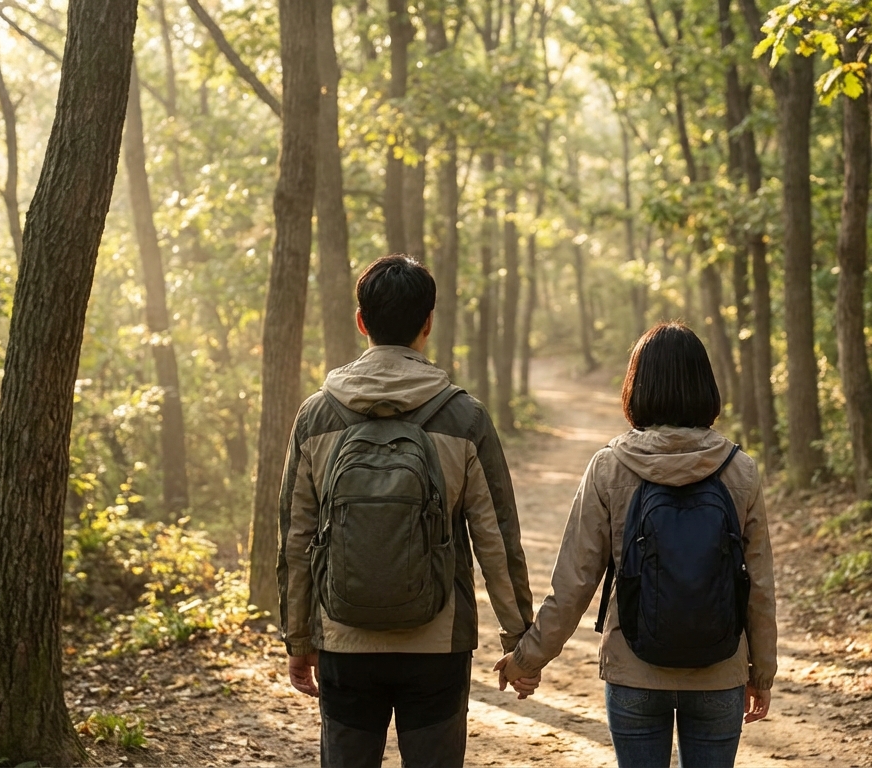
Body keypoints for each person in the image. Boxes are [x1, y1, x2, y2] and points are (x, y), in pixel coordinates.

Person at [277, 255, 537, 768]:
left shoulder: (317, 414)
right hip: (437, 643)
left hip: (343, 637)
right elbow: (496, 538)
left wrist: (299, 637)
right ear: (428, 322)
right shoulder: (464, 416)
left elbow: (295, 536)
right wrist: (519, 641)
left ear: (361, 321)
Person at [495, 322, 778, 768]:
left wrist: (527, 660)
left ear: (636, 386)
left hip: (634, 671)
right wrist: (761, 673)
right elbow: (759, 584)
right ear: (706, 386)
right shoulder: (739, 470)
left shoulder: (610, 467)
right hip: (719, 672)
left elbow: (574, 583)